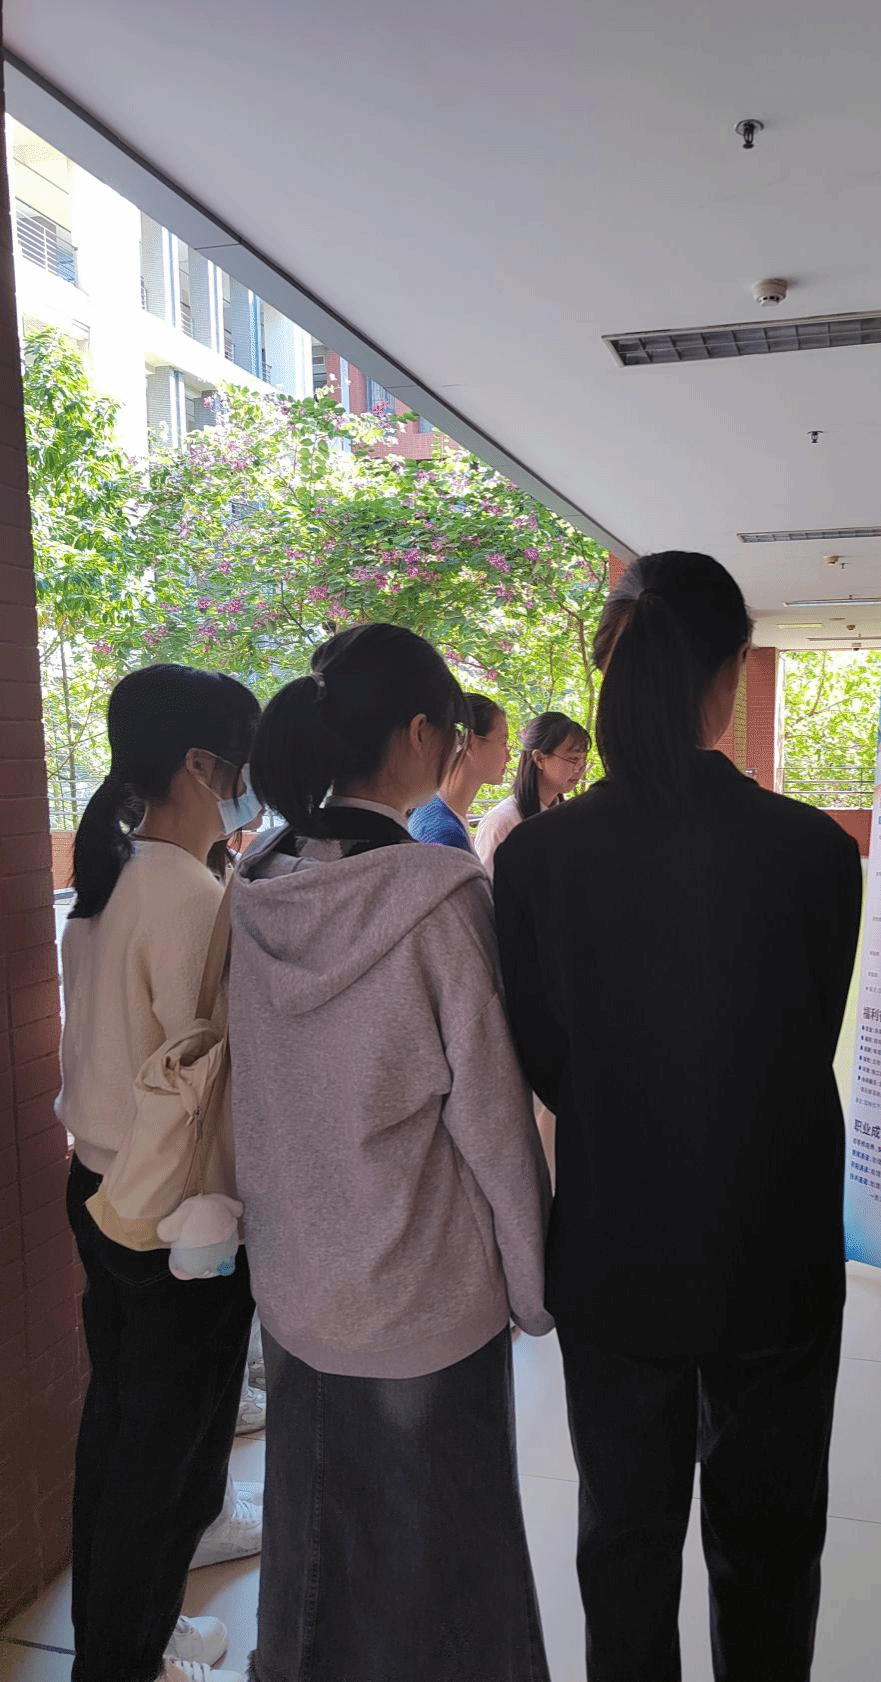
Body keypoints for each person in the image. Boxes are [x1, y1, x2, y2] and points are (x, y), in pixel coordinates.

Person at [494, 552, 864, 1682]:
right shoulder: (814, 850)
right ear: (733, 669)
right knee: (770, 1550)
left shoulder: (539, 858)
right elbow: (809, 1032)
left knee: (624, 1545)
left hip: (616, 1245)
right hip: (776, 1246)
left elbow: (545, 1058)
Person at [229, 623, 553, 1682]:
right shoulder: (435, 899)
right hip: (421, 1297)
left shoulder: (257, 886)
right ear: (419, 733)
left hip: (296, 1285)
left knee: (316, 1555)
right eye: (451, 728)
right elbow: (493, 1122)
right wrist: (533, 1285)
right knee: (446, 1572)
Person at [57, 664, 262, 1682]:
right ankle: (130, 1657)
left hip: (99, 1193)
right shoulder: (190, 895)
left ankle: (119, 1643)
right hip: (178, 1219)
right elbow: (216, 1071)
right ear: (199, 764)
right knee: (170, 1467)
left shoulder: (112, 873)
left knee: (119, 1432)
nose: (251, 786)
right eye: (243, 763)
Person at [473, 710, 590, 879]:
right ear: (540, 759)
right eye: (573, 759)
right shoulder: (503, 822)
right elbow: (489, 889)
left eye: (583, 759)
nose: (580, 768)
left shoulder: (569, 817)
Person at [408, 692, 511, 851]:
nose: (508, 757)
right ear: (471, 741)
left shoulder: (431, 809)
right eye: (503, 742)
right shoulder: (444, 836)